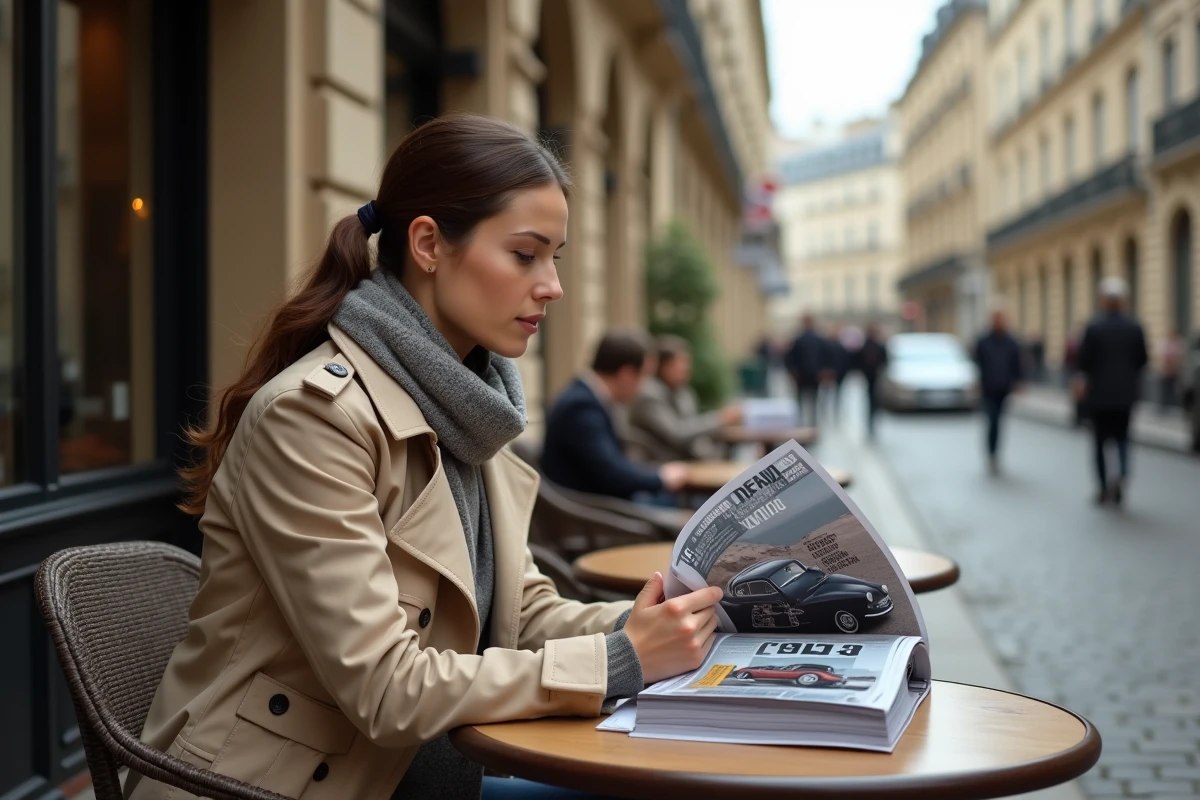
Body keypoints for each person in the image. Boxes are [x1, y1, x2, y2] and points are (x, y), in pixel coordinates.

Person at [128, 115, 722, 800]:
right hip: (281, 784)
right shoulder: (314, 418)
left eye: (556, 257)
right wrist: (621, 660)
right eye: (526, 255)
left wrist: (651, 624)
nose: (552, 285)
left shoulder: (469, 411)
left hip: (420, 769)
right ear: (429, 244)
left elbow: (520, 613)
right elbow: (385, 686)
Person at [542, 331, 691, 502]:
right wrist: (662, 478)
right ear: (626, 374)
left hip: (599, 509)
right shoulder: (582, 406)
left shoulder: (587, 398)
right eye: (644, 376)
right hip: (595, 516)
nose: (644, 387)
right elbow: (612, 472)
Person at [1077, 277, 1148, 506]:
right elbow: (1142, 360)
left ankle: (1103, 487)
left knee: (1099, 443)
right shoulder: (1135, 327)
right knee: (1123, 439)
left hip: (1099, 397)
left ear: (1103, 301)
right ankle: (1122, 477)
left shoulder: (1094, 327)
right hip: (1126, 396)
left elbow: (1084, 362)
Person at [627, 334, 741, 461]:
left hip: (687, 462)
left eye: (687, 362)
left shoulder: (684, 393)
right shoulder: (648, 395)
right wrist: (720, 418)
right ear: (664, 367)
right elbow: (678, 433)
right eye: (681, 362)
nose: (687, 368)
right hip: (660, 466)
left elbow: (692, 431)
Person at [973, 307, 1024, 474]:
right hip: (988, 387)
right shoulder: (983, 340)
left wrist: (1018, 381)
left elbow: (1016, 363)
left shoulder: (1011, 341)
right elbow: (977, 364)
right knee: (992, 421)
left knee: (999, 422)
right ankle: (992, 455)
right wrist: (977, 384)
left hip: (1003, 387)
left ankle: (995, 454)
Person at [784, 314, 831, 427]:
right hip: (807, 375)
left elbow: (790, 358)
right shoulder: (814, 339)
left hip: (807, 375)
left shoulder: (802, 339)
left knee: (807, 401)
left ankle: (806, 425)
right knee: (808, 402)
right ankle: (807, 425)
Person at [853, 324, 889, 436]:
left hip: (870, 375)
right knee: (872, 397)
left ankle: (872, 416)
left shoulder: (866, 346)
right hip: (873, 375)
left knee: (871, 397)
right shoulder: (876, 345)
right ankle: (872, 416)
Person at [1157, 328, 1184, 412]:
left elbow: (1180, 357)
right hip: (1166, 371)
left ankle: (1174, 404)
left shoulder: (1178, 343)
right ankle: (1164, 406)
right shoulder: (1165, 343)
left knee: (1175, 389)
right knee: (1165, 389)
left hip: (1175, 371)